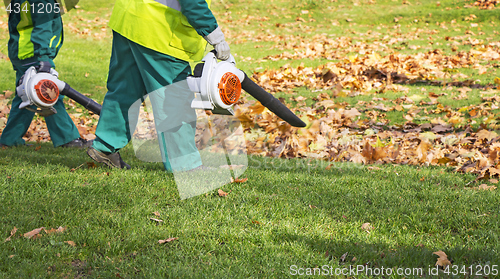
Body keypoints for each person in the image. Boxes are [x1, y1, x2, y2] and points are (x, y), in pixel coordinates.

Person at [87, 0, 230, 170]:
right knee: (174, 99)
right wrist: (216, 37)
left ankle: (105, 146)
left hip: (128, 18)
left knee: (125, 89)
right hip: (161, 30)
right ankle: (184, 164)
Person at [0, 0, 90, 148]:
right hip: (34, 53)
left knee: (26, 96)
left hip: (22, 50)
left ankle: (10, 139)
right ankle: (68, 139)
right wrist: (43, 57)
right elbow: (42, 26)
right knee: (49, 94)